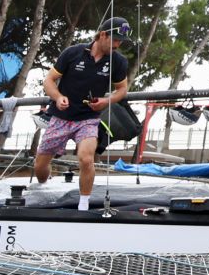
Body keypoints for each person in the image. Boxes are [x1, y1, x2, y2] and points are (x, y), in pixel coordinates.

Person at [33, 18, 134, 210]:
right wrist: (58, 97)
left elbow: (122, 90)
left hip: (88, 118)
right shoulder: (73, 53)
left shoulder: (118, 61)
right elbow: (49, 80)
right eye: (116, 39)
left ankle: (84, 204)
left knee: (87, 158)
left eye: (121, 41)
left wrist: (106, 101)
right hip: (61, 118)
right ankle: (42, 187)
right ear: (103, 34)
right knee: (40, 165)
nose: (118, 44)